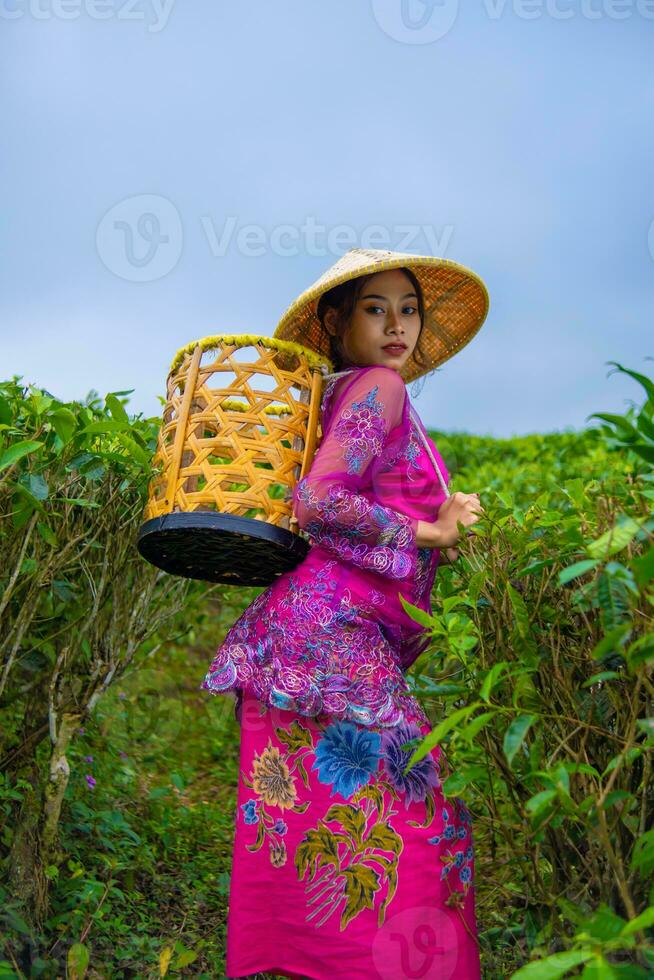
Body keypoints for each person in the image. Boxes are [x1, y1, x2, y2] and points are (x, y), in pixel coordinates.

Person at [201, 247, 490, 980]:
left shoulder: (343, 394)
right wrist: (434, 531)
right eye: (374, 308)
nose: (397, 325)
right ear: (335, 321)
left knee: (316, 841)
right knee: (425, 830)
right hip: (330, 644)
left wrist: (433, 526)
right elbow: (320, 502)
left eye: (409, 309)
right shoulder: (380, 388)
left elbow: (344, 508)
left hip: (301, 641)